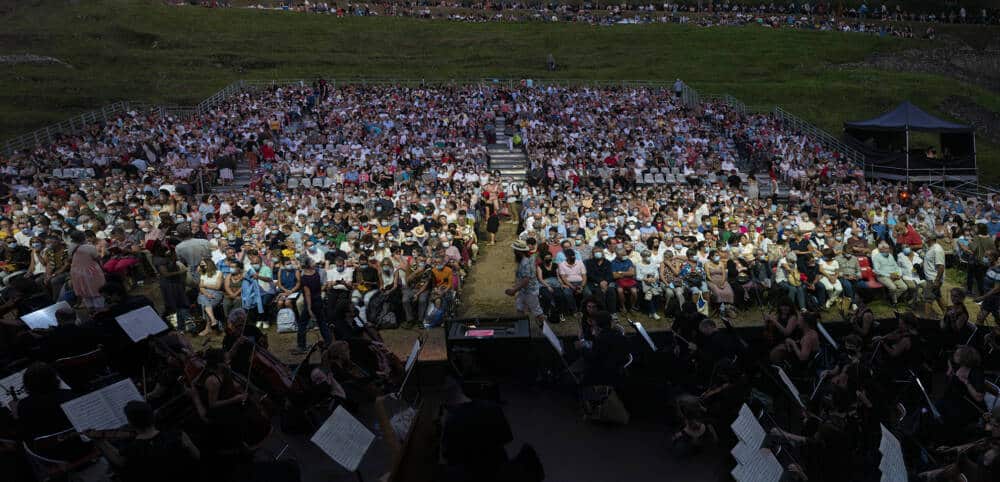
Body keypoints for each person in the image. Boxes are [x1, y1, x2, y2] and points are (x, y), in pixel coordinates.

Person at [89, 401, 200, 482]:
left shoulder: (132, 450)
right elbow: (197, 456)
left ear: (130, 423)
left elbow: (118, 460)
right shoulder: (179, 435)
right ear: (152, 417)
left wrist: (100, 441)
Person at [506, 241, 543, 326]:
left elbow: (526, 280)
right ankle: (521, 328)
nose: (513, 252)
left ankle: (545, 330)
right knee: (520, 309)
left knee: (537, 312)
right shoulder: (524, 260)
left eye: (514, 250)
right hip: (523, 290)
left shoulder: (525, 262)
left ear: (518, 251)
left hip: (530, 291)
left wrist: (514, 290)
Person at [68, 230, 105, 310]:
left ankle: (92, 313)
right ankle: (100, 312)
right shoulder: (89, 247)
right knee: (97, 293)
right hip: (90, 272)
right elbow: (98, 258)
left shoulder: (70, 248)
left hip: (76, 273)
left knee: (86, 295)